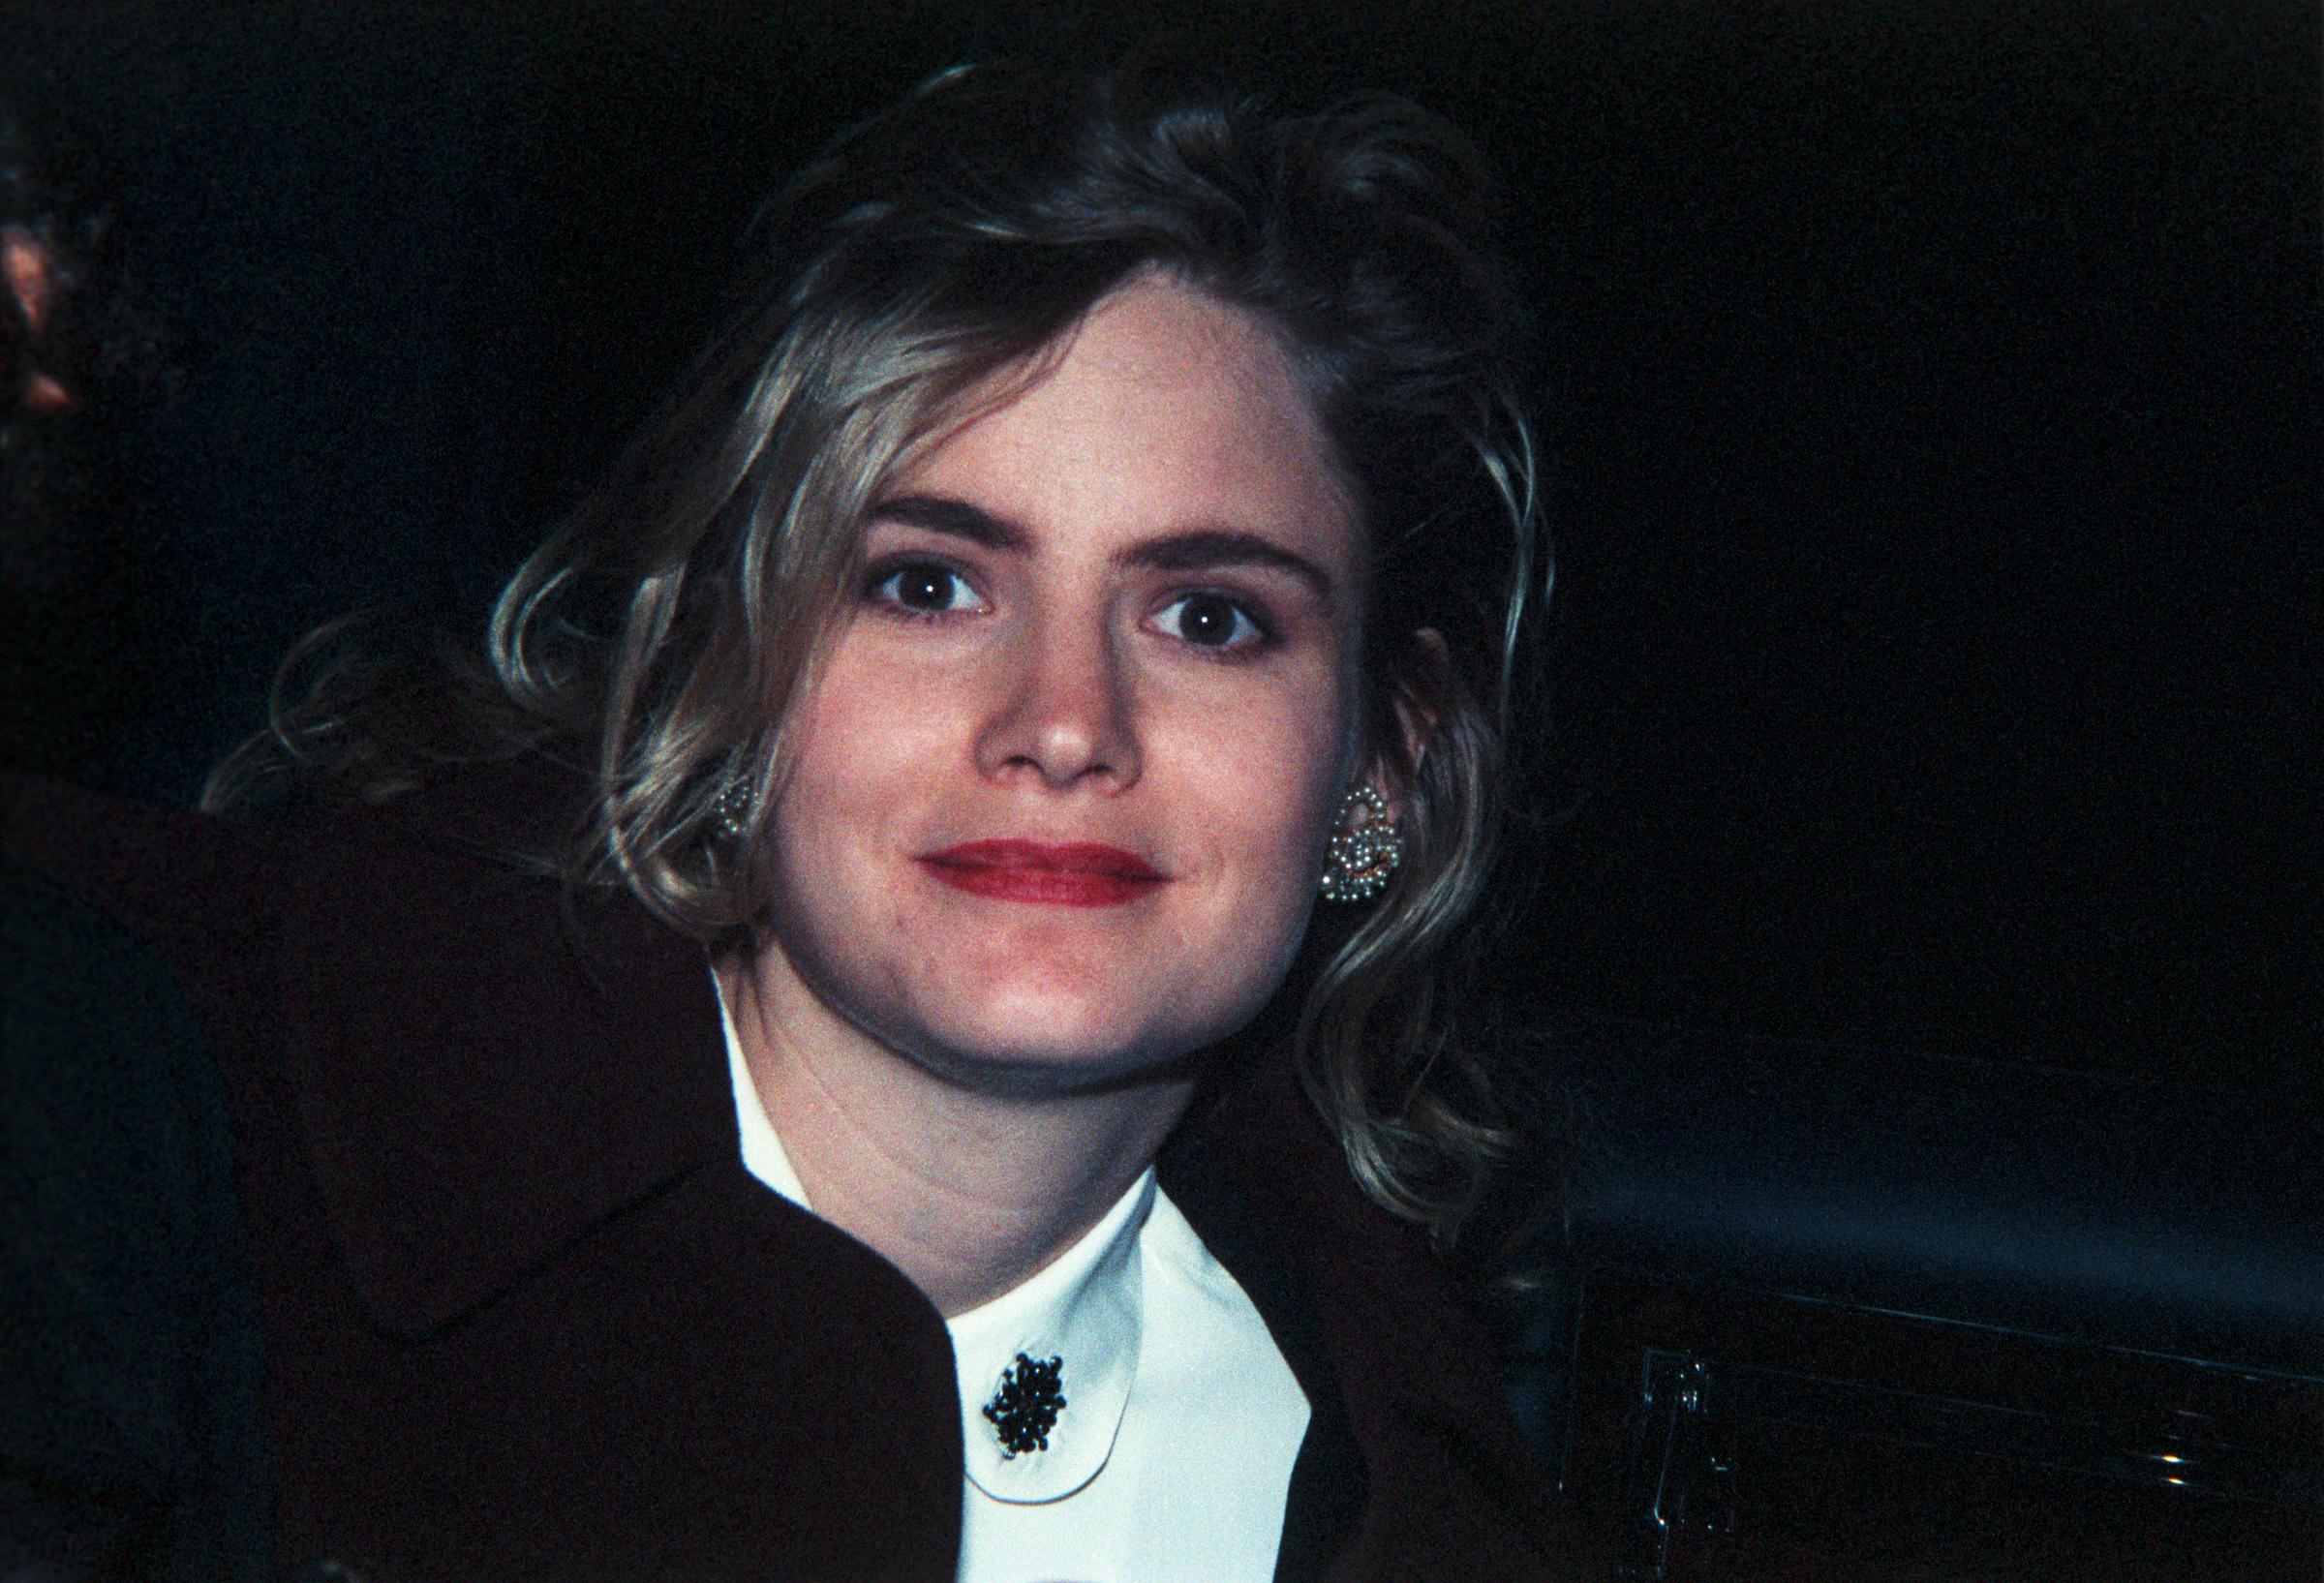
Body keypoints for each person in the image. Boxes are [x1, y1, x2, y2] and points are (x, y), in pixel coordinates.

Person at [4, 57, 1585, 1581]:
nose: (1063, 726)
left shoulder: (1412, 1500)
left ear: (1384, 762)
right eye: (928, 584)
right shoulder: (128, 1124)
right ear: (735, 668)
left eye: (1212, 619)